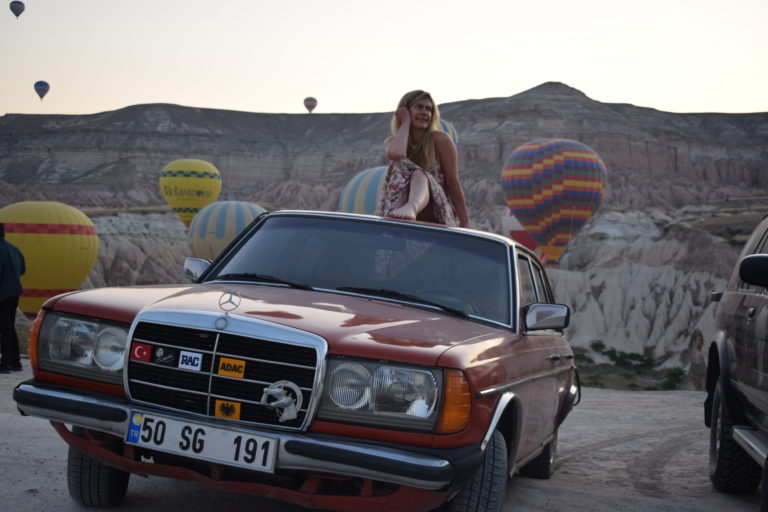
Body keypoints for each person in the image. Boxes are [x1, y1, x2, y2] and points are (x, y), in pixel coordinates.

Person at [376, 90, 470, 228]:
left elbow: (452, 181)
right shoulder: (392, 141)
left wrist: (465, 222)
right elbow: (396, 153)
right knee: (402, 168)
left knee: (419, 174)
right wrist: (406, 121)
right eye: (419, 107)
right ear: (405, 111)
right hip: (400, 204)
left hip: (436, 207)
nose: (425, 113)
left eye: (429, 109)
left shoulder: (440, 139)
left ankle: (411, 207)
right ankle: (397, 214)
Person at [0, 222, 25, 373]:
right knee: (9, 326)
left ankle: (5, 364)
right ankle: (16, 362)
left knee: (4, 328)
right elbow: (23, 269)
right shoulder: (14, 249)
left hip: (2, 294)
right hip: (14, 292)